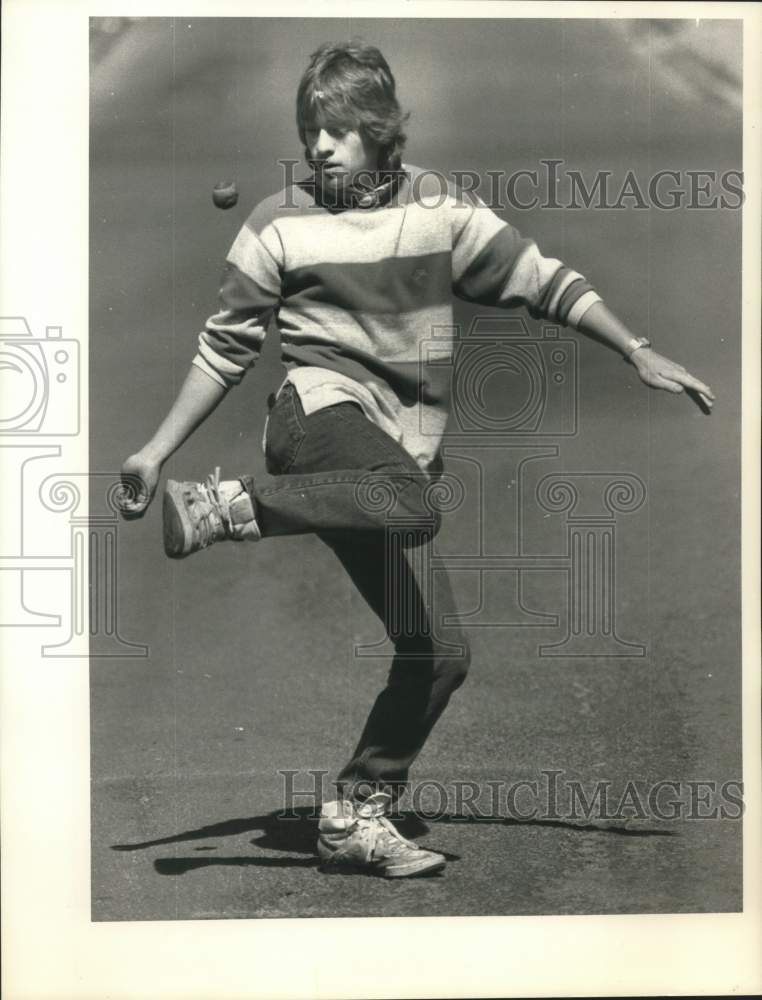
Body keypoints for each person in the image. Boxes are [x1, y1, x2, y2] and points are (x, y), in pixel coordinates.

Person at [119, 40, 715, 879]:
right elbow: (224, 352)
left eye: (337, 130)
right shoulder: (275, 224)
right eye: (309, 129)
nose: (318, 146)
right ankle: (229, 508)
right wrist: (154, 452)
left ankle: (355, 815)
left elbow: (540, 277)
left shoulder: (438, 210)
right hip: (313, 422)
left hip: (386, 468)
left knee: (439, 651)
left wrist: (635, 348)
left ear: (378, 131)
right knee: (411, 497)